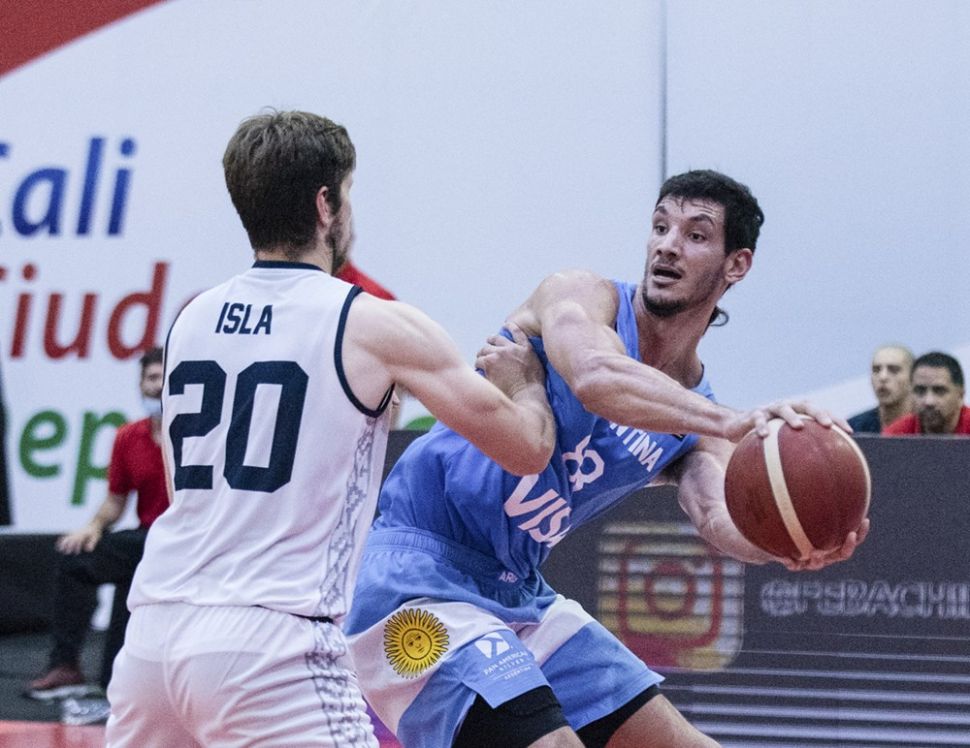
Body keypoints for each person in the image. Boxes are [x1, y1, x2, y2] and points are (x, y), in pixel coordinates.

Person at [345, 170, 870, 748]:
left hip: (517, 592)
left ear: (736, 264)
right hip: (416, 576)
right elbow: (595, 377)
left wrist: (788, 546)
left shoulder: (695, 419)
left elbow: (720, 520)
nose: (668, 245)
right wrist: (730, 421)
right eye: (660, 227)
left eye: (696, 235)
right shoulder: (579, 296)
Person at [104, 110, 555, 748]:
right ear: (325, 205)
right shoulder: (373, 323)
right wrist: (527, 382)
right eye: (348, 192)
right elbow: (526, 450)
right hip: (271, 644)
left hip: (153, 638)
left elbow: (184, 491)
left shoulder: (191, 319)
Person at [24, 347, 166, 707]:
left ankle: (121, 680)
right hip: (144, 537)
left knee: (133, 566)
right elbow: (115, 501)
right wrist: (93, 526)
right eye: (151, 378)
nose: (158, 386)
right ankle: (66, 665)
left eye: (164, 378)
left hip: (184, 539)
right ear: (141, 384)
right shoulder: (128, 437)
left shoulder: (196, 437)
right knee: (77, 556)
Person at [883, 351, 970, 435]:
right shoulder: (896, 435)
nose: (928, 402)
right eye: (920, 391)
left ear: (960, 396)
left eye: (939, 391)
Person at [847, 344, 914, 433]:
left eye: (893, 370)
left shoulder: (926, 426)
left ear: (913, 377)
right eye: (876, 370)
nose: (882, 377)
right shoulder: (853, 428)